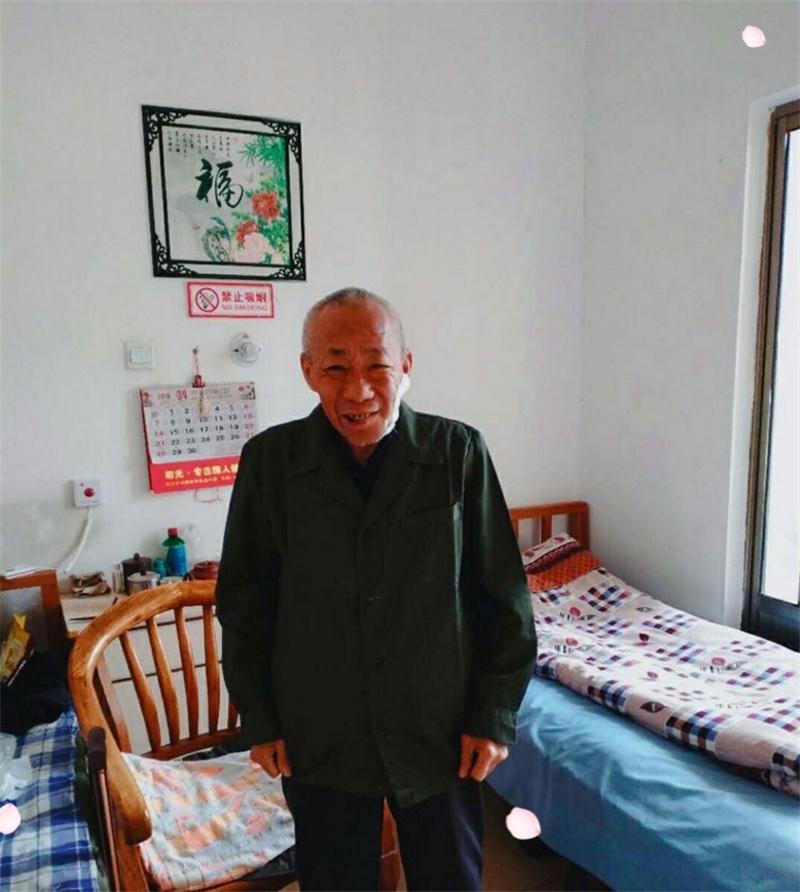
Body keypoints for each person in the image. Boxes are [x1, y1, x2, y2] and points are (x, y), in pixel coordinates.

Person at [216, 287, 536, 891]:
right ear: (308, 371)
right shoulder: (271, 463)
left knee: (451, 881)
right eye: (336, 367)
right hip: (320, 731)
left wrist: (494, 714)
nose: (358, 389)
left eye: (377, 366)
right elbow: (245, 602)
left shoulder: (456, 452)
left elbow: (501, 594)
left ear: (406, 366)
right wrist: (259, 716)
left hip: (440, 732)